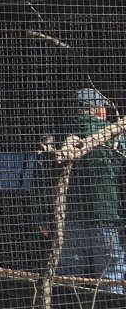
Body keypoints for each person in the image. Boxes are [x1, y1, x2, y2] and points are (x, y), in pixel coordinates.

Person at [57, 88, 124, 290]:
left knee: (70, 279)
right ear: (97, 110)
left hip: (67, 221)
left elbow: (41, 181)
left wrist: (44, 218)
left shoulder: (58, 138)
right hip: (109, 220)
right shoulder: (117, 139)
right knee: (111, 276)